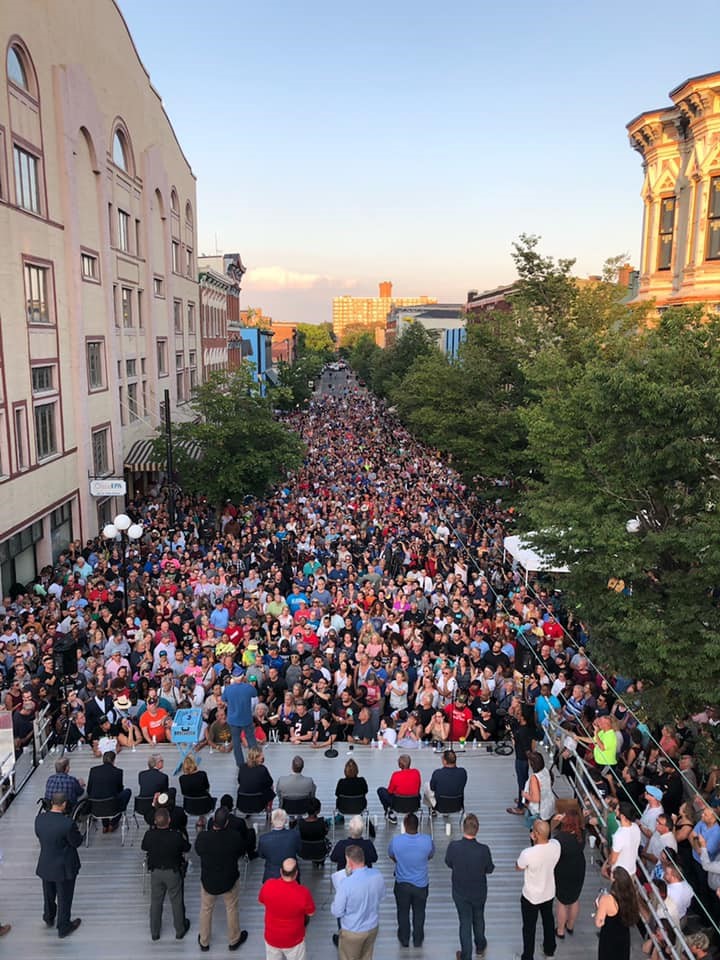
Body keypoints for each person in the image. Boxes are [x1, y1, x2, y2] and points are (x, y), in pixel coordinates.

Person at [194, 806, 249, 952]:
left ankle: (204, 941)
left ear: (213, 822)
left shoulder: (203, 837)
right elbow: (241, 852)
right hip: (229, 880)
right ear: (226, 823)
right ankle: (234, 939)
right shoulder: (234, 837)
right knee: (231, 908)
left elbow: (198, 850)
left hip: (208, 881)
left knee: (206, 909)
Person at [445, 813, 495, 960]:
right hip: (479, 891)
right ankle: (480, 945)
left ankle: (466, 955)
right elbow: (489, 868)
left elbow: (449, 863)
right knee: (479, 918)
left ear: (463, 828)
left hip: (460, 892)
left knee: (465, 922)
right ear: (477, 830)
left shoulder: (453, 846)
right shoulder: (483, 849)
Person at [34, 791, 83, 939]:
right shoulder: (67, 824)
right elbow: (76, 842)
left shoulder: (39, 819)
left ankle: (48, 917)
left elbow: (39, 835)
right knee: (64, 897)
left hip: (46, 863)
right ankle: (63, 926)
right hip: (64, 867)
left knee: (48, 894)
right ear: (64, 804)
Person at [141, 806, 191, 941]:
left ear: (155, 822)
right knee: (176, 901)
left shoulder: (149, 835)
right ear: (169, 820)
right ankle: (180, 930)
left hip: (156, 873)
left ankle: (155, 932)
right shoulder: (176, 835)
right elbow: (187, 847)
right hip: (173, 872)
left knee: (156, 902)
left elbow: (144, 846)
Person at [515, 819, 561, 960]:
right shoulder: (556, 846)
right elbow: (548, 837)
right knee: (548, 920)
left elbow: (519, 867)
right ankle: (549, 949)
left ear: (535, 834)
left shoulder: (528, 853)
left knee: (529, 928)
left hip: (531, 896)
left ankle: (528, 956)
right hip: (548, 892)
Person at [331, 844, 386, 960]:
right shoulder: (377, 875)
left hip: (352, 931)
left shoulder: (345, 884)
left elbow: (337, 912)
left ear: (349, 861)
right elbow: (381, 896)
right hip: (372, 927)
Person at [387, 812, 434, 948]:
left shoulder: (396, 841)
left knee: (403, 911)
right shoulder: (427, 840)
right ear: (417, 826)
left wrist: (400, 861)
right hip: (421, 884)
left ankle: (404, 938)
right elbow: (430, 855)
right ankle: (418, 938)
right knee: (420, 912)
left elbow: (391, 855)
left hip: (402, 883)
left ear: (405, 825)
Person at [259, 857, 316, 960]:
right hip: (294, 938)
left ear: (281, 871)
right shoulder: (303, 893)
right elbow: (311, 913)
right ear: (296, 873)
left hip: (272, 936)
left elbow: (261, 900)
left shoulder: (268, 885)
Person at [552, 809, 586, 938]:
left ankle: (560, 930)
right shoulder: (582, 833)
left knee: (562, 901)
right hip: (579, 868)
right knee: (574, 899)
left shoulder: (560, 838)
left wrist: (555, 821)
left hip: (563, 870)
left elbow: (550, 843)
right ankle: (570, 926)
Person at [594, 865, 640, 960]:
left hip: (609, 938)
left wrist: (598, 907)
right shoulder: (631, 896)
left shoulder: (607, 899)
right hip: (624, 936)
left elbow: (598, 922)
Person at [86, 749, 131, 832]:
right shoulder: (118, 772)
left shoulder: (93, 770)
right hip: (112, 806)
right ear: (114, 760)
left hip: (95, 807)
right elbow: (119, 790)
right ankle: (113, 823)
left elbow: (89, 789)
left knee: (103, 796)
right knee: (127, 792)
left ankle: (105, 825)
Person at [222, 676, 258, 767]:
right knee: (251, 739)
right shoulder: (248, 687)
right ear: (243, 677)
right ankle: (254, 759)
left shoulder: (228, 689)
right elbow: (255, 693)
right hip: (246, 718)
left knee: (236, 742)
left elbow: (224, 699)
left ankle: (240, 764)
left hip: (233, 719)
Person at [258, 809, 302, 882]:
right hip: (291, 873)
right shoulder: (295, 835)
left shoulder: (263, 838)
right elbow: (299, 850)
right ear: (285, 821)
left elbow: (261, 855)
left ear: (272, 821)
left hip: (271, 875)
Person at [377, 754, 421, 824]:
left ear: (400, 765)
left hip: (398, 805)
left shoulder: (396, 775)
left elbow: (390, 791)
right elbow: (418, 788)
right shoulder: (416, 772)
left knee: (381, 790)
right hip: (414, 804)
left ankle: (389, 812)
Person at [424, 748, 467, 814]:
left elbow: (432, 788)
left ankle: (432, 810)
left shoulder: (437, 773)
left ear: (445, 761)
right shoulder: (463, 772)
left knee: (427, 785)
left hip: (439, 806)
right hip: (457, 805)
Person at [606, 803, 642, 877]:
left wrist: (606, 865)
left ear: (622, 816)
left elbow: (613, 859)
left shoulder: (619, 835)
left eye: (617, 809)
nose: (615, 811)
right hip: (631, 871)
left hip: (620, 875)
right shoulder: (636, 827)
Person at [298, 797, 330, 866]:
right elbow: (326, 832)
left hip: (303, 852)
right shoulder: (322, 822)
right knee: (327, 841)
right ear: (318, 810)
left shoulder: (300, 823)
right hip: (320, 851)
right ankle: (320, 860)